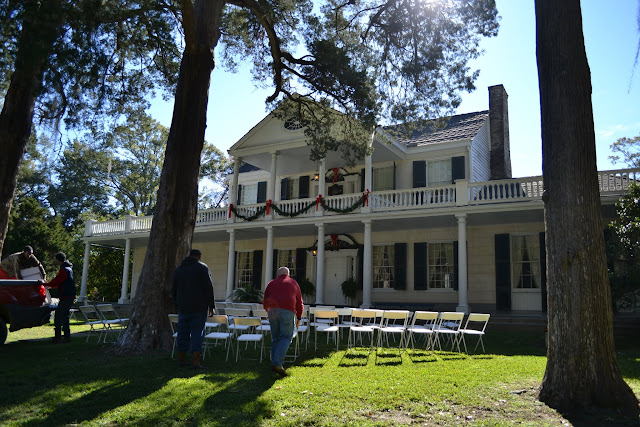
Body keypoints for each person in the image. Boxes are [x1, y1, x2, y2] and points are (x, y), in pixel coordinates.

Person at [171, 249, 215, 369]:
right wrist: (211, 306)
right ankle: (195, 362)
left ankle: (181, 360)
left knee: (182, 334)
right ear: (199, 257)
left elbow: (173, 290)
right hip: (199, 307)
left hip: (183, 307)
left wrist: (177, 305)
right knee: (197, 334)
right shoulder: (202, 268)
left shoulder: (178, 270)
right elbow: (208, 288)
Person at [262, 266, 303, 377]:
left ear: (278, 274)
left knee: (276, 338)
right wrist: (299, 317)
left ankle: (274, 362)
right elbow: (299, 302)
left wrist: (269, 310)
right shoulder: (293, 283)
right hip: (287, 311)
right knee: (286, 337)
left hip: (272, 312)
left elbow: (265, 299)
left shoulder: (271, 283)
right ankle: (277, 363)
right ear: (288, 274)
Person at [44, 252, 76, 343]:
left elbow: (57, 281)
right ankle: (61, 336)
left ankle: (64, 336)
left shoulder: (64, 270)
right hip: (68, 296)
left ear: (58, 260)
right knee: (60, 315)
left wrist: (46, 284)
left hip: (66, 296)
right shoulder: (68, 269)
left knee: (62, 316)